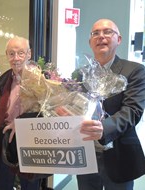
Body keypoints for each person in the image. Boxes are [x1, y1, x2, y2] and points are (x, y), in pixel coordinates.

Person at [76, 18, 145, 190]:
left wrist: (103, 128)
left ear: (118, 39)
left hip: (120, 156)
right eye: (95, 33)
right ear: (90, 42)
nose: (101, 36)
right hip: (85, 156)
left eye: (107, 32)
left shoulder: (135, 71)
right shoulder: (79, 75)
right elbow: (74, 107)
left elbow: (132, 110)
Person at [0, 36, 44, 190]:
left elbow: (49, 113)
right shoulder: (1, 82)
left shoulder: (43, 81)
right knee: (1, 185)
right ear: (7, 55)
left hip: (32, 142)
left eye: (21, 53)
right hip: (5, 141)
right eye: (11, 54)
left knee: (30, 186)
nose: (16, 58)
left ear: (29, 54)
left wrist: (22, 123)